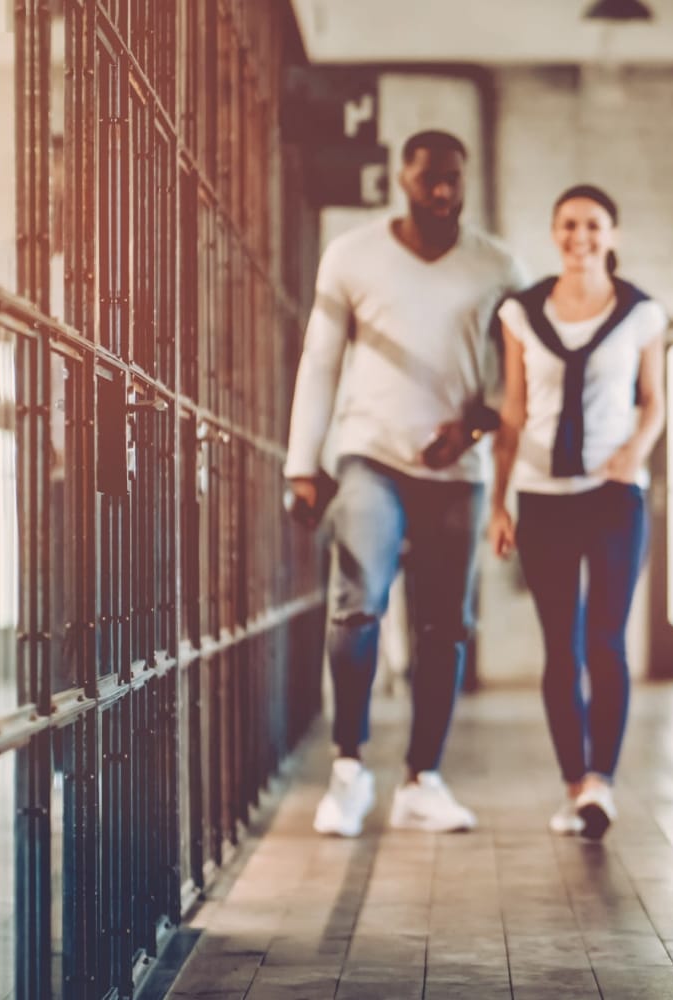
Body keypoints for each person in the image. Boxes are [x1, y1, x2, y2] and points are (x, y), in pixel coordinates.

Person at [284, 130, 529, 838]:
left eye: (453, 178)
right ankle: (349, 773)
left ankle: (423, 779)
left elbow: (519, 378)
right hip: (370, 455)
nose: (443, 191)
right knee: (358, 606)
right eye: (429, 180)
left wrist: (475, 427)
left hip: (458, 468)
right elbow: (320, 359)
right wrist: (304, 464)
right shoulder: (352, 257)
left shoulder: (498, 266)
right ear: (403, 178)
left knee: (445, 628)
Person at [486, 185, 667, 841]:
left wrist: (634, 451)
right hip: (541, 497)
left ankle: (601, 784)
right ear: (554, 232)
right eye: (568, 224)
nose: (580, 235)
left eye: (592, 224)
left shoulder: (642, 313)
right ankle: (572, 784)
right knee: (561, 647)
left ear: (612, 234)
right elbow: (511, 411)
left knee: (606, 640)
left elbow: (655, 402)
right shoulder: (521, 312)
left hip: (616, 496)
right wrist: (499, 502)